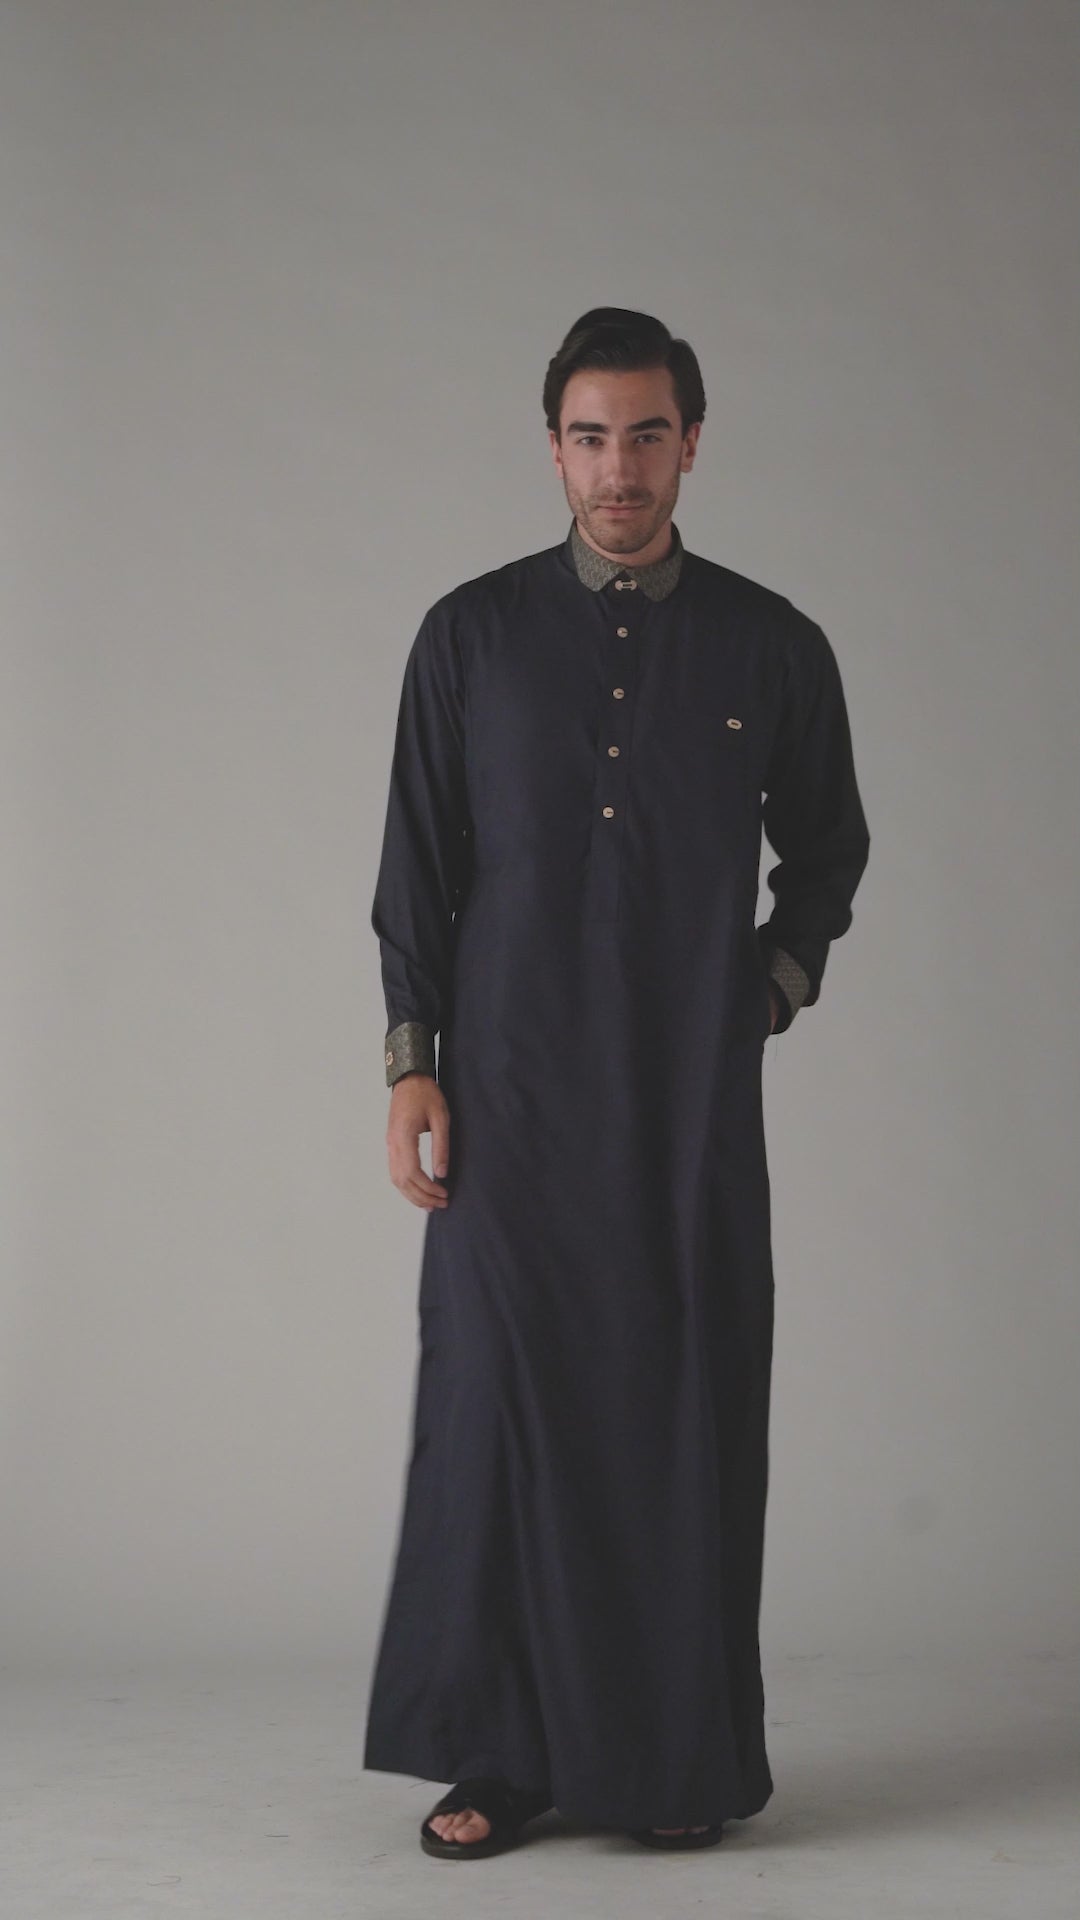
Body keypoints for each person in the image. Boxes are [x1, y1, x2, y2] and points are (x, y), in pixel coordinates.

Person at [363, 306, 871, 1858]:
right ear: (554, 449)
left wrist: (767, 992)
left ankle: (666, 1765)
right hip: (508, 1101)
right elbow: (416, 869)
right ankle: (502, 1759)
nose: (620, 467)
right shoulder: (471, 637)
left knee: (673, 1412)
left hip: (683, 1109)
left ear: (692, 442)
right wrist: (412, 1064)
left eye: (648, 434)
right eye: (591, 436)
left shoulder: (769, 646)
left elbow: (830, 852)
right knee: (499, 1413)